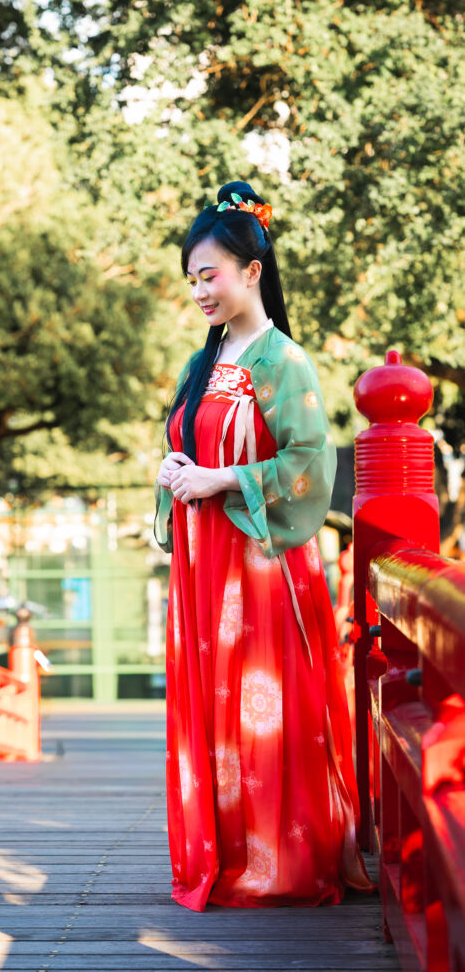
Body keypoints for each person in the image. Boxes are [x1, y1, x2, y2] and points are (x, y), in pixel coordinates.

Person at [154, 180, 373, 912]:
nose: (199, 292)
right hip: (205, 564)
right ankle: (225, 849)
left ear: (252, 271)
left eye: (208, 275)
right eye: (191, 280)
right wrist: (176, 469)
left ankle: (279, 859)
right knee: (215, 703)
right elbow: (193, 443)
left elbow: (310, 465)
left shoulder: (284, 361)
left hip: (261, 564)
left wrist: (220, 479)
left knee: (262, 703)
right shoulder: (203, 362)